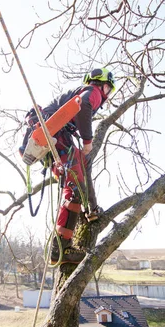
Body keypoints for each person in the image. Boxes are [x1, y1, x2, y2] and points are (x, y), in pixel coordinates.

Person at [42, 67, 116, 265]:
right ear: (104, 85)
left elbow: (86, 172)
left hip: (54, 138)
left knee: (76, 182)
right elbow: (84, 105)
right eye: (108, 90)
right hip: (55, 133)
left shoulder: (80, 93)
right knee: (74, 187)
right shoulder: (93, 92)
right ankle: (60, 249)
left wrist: (92, 208)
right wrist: (88, 140)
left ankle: (61, 247)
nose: (106, 95)